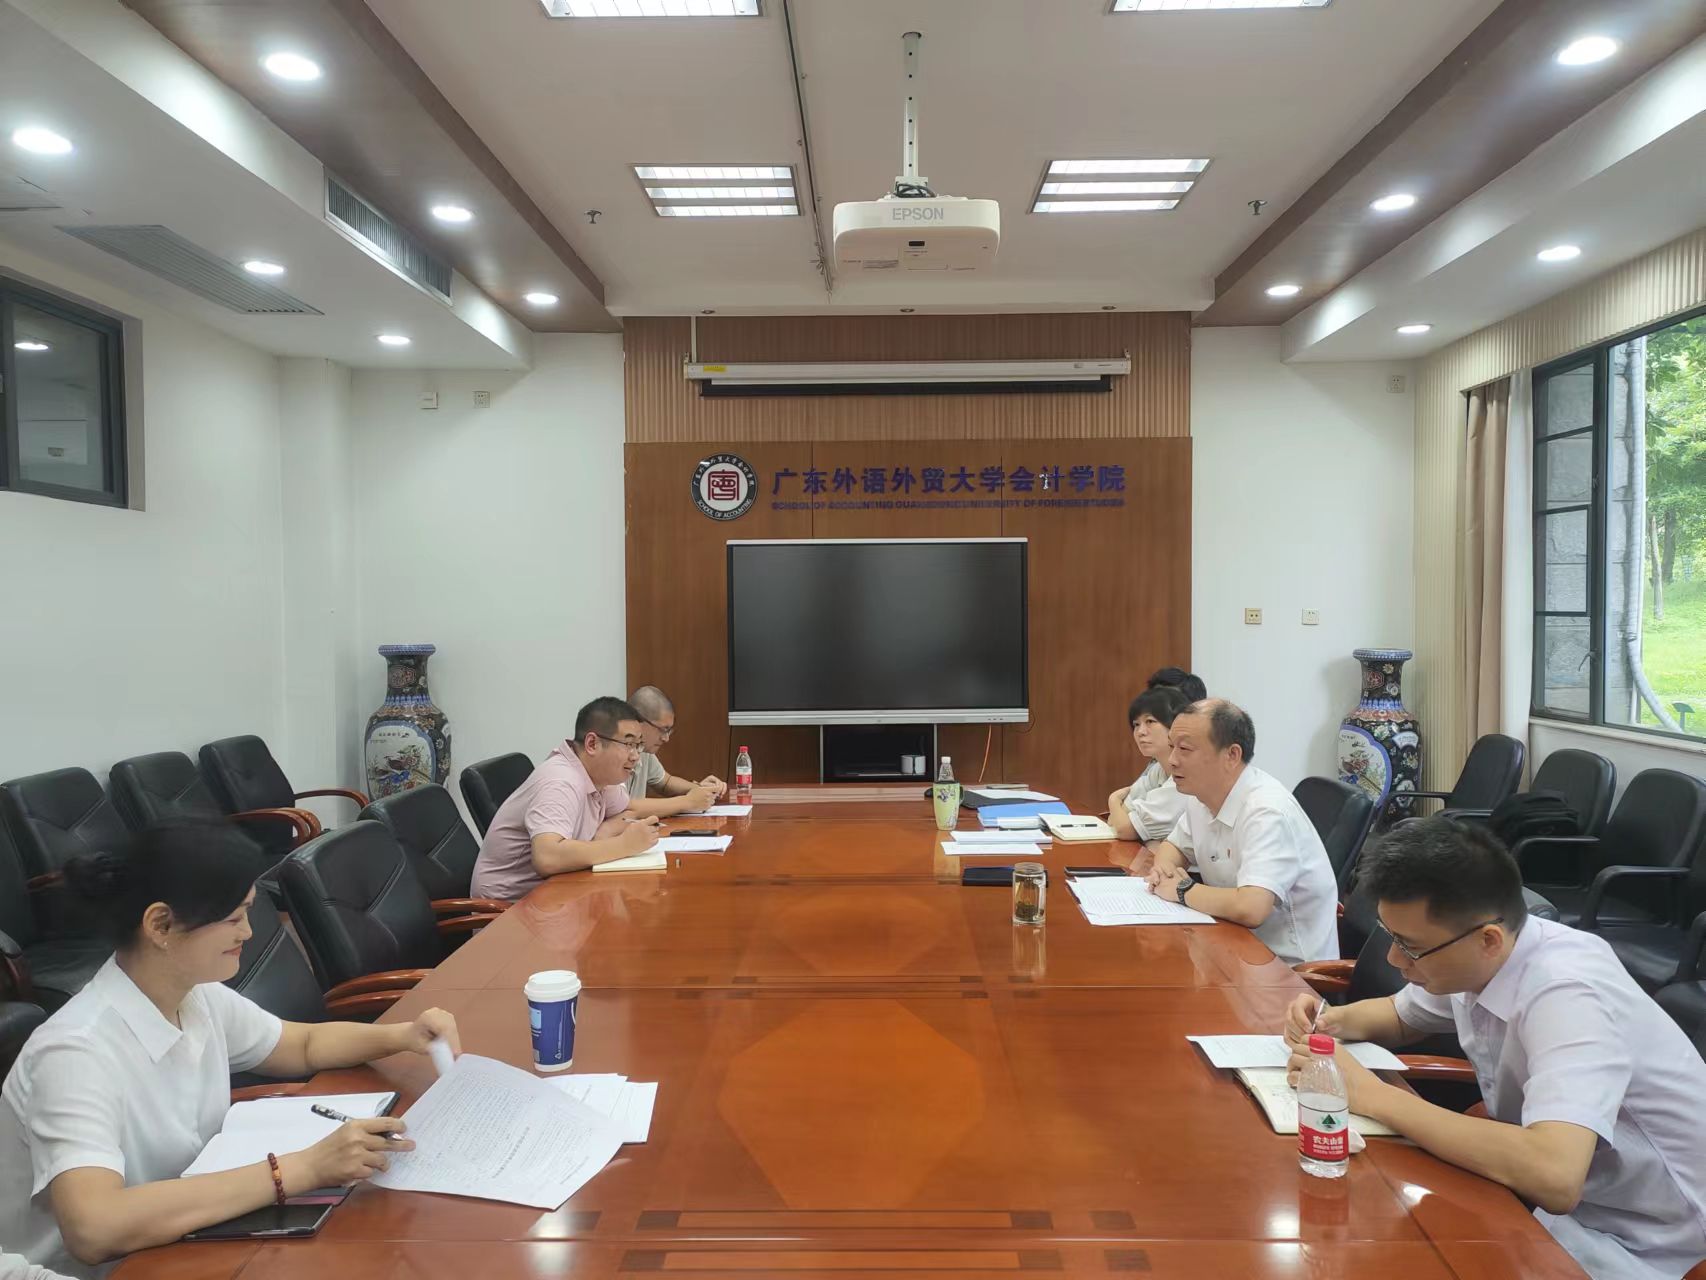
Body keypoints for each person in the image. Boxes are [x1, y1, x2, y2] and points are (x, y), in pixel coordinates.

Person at [0, 822, 461, 1279]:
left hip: (187, 1238)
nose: (248, 933)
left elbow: (301, 1044)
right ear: (160, 925)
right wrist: (303, 1169)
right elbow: (95, 1228)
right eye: (233, 918)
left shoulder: (194, 995)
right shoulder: (74, 1053)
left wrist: (403, 1036)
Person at [1283, 819, 1706, 1280]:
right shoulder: (1481, 955)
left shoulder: (1568, 992)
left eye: (1410, 947)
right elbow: (1400, 1016)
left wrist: (1372, 1095)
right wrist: (1328, 1020)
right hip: (1573, 1204)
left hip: (1652, 1241)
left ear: (1488, 939)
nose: (1394, 959)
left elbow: (1554, 1175)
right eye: (1392, 937)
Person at [1143, 699, 1338, 965]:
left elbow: (1251, 907)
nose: (1173, 760)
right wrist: (1163, 871)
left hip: (1287, 971)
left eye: (1185, 749)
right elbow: (1173, 846)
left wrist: (1181, 889)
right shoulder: (1202, 795)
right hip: (1230, 948)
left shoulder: (1266, 811)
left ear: (1232, 755)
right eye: (1171, 747)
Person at [469, 696, 662, 900]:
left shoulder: (598, 775)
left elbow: (626, 809)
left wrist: (605, 830)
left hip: (554, 892)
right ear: (592, 744)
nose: (635, 756)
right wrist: (624, 845)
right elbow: (547, 857)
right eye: (628, 744)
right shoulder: (560, 781)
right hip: (507, 907)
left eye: (638, 745)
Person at [1107, 685, 1190, 856]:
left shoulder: (1185, 775)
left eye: (1150, 722)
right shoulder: (1158, 769)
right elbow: (1114, 820)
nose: (1140, 732)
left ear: (1175, 725)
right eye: (1136, 724)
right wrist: (1150, 840)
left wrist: (1113, 800)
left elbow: (1124, 828)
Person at [623, 685, 727, 818]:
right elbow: (626, 807)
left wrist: (700, 790)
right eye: (663, 729)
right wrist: (688, 802)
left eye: (669, 731)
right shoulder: (615, 751)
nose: (666, 738)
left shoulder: (644, 750)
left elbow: (665, 782)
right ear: (639, 721)